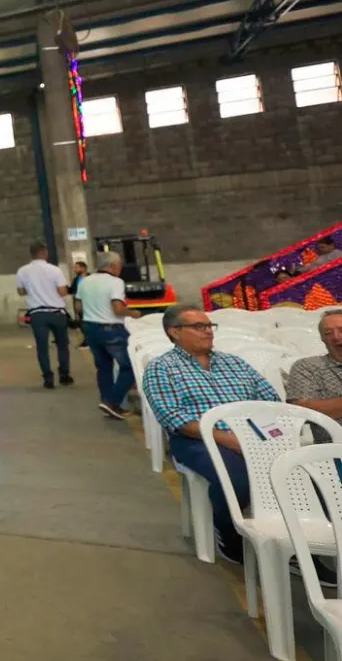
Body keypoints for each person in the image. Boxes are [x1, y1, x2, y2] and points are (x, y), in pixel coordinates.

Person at [143, 305, 284, 565]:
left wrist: (256, 435)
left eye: (209, 326)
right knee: (237, 479)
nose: (208, 332)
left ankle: (295, 542)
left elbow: (270, 400)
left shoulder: (234, 362)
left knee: (301, 471)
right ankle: (229, 535)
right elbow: (172, 416)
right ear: (174, 332)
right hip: (197, 440)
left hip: (250, 433)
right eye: (199, 327)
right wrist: (225, 438)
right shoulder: (161, 368)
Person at [76, 251, 140, 419]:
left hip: (90, 328)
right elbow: (118, 309)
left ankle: (108, 403)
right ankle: (112, 402)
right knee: (130, 366)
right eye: (119, 266)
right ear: (113, 266)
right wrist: (133, 313)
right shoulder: (116, 282)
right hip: (111, 330)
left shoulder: (84, 281)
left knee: (103, 367)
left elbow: (78, 308)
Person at [15, 241, 72, 389]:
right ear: (45, 253)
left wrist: (34, 292)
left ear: (31, 254)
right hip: (57, 313)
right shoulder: (55, 270)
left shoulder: (22, 271)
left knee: (42, 347)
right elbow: (62, 292)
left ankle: (48, 378)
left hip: (37, 314)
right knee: (62, 345)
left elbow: (21, 292)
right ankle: (64, 375)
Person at [285, 310, 342, 421]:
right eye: (328, 333)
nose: (336, 337)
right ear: (322, 339)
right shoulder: (307, 367)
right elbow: (301, 410)